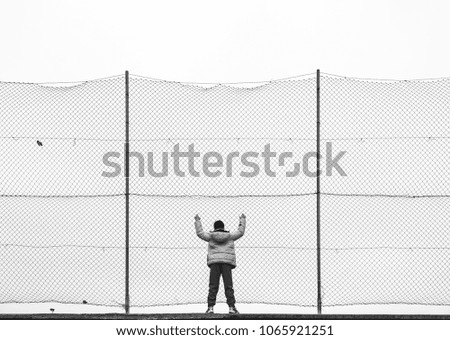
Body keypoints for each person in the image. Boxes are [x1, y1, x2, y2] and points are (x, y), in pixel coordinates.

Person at [194, 213, 246, 314]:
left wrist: (197, 221)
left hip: (215, 263)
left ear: (215, 228)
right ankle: (231, 307)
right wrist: (242, 219)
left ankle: (210, 307)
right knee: (228, 285)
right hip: (226, 262)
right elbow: (240, 232)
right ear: (223, 227)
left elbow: (200, 233)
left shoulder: (210, 237)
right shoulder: (230, 236)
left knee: (213, 285)